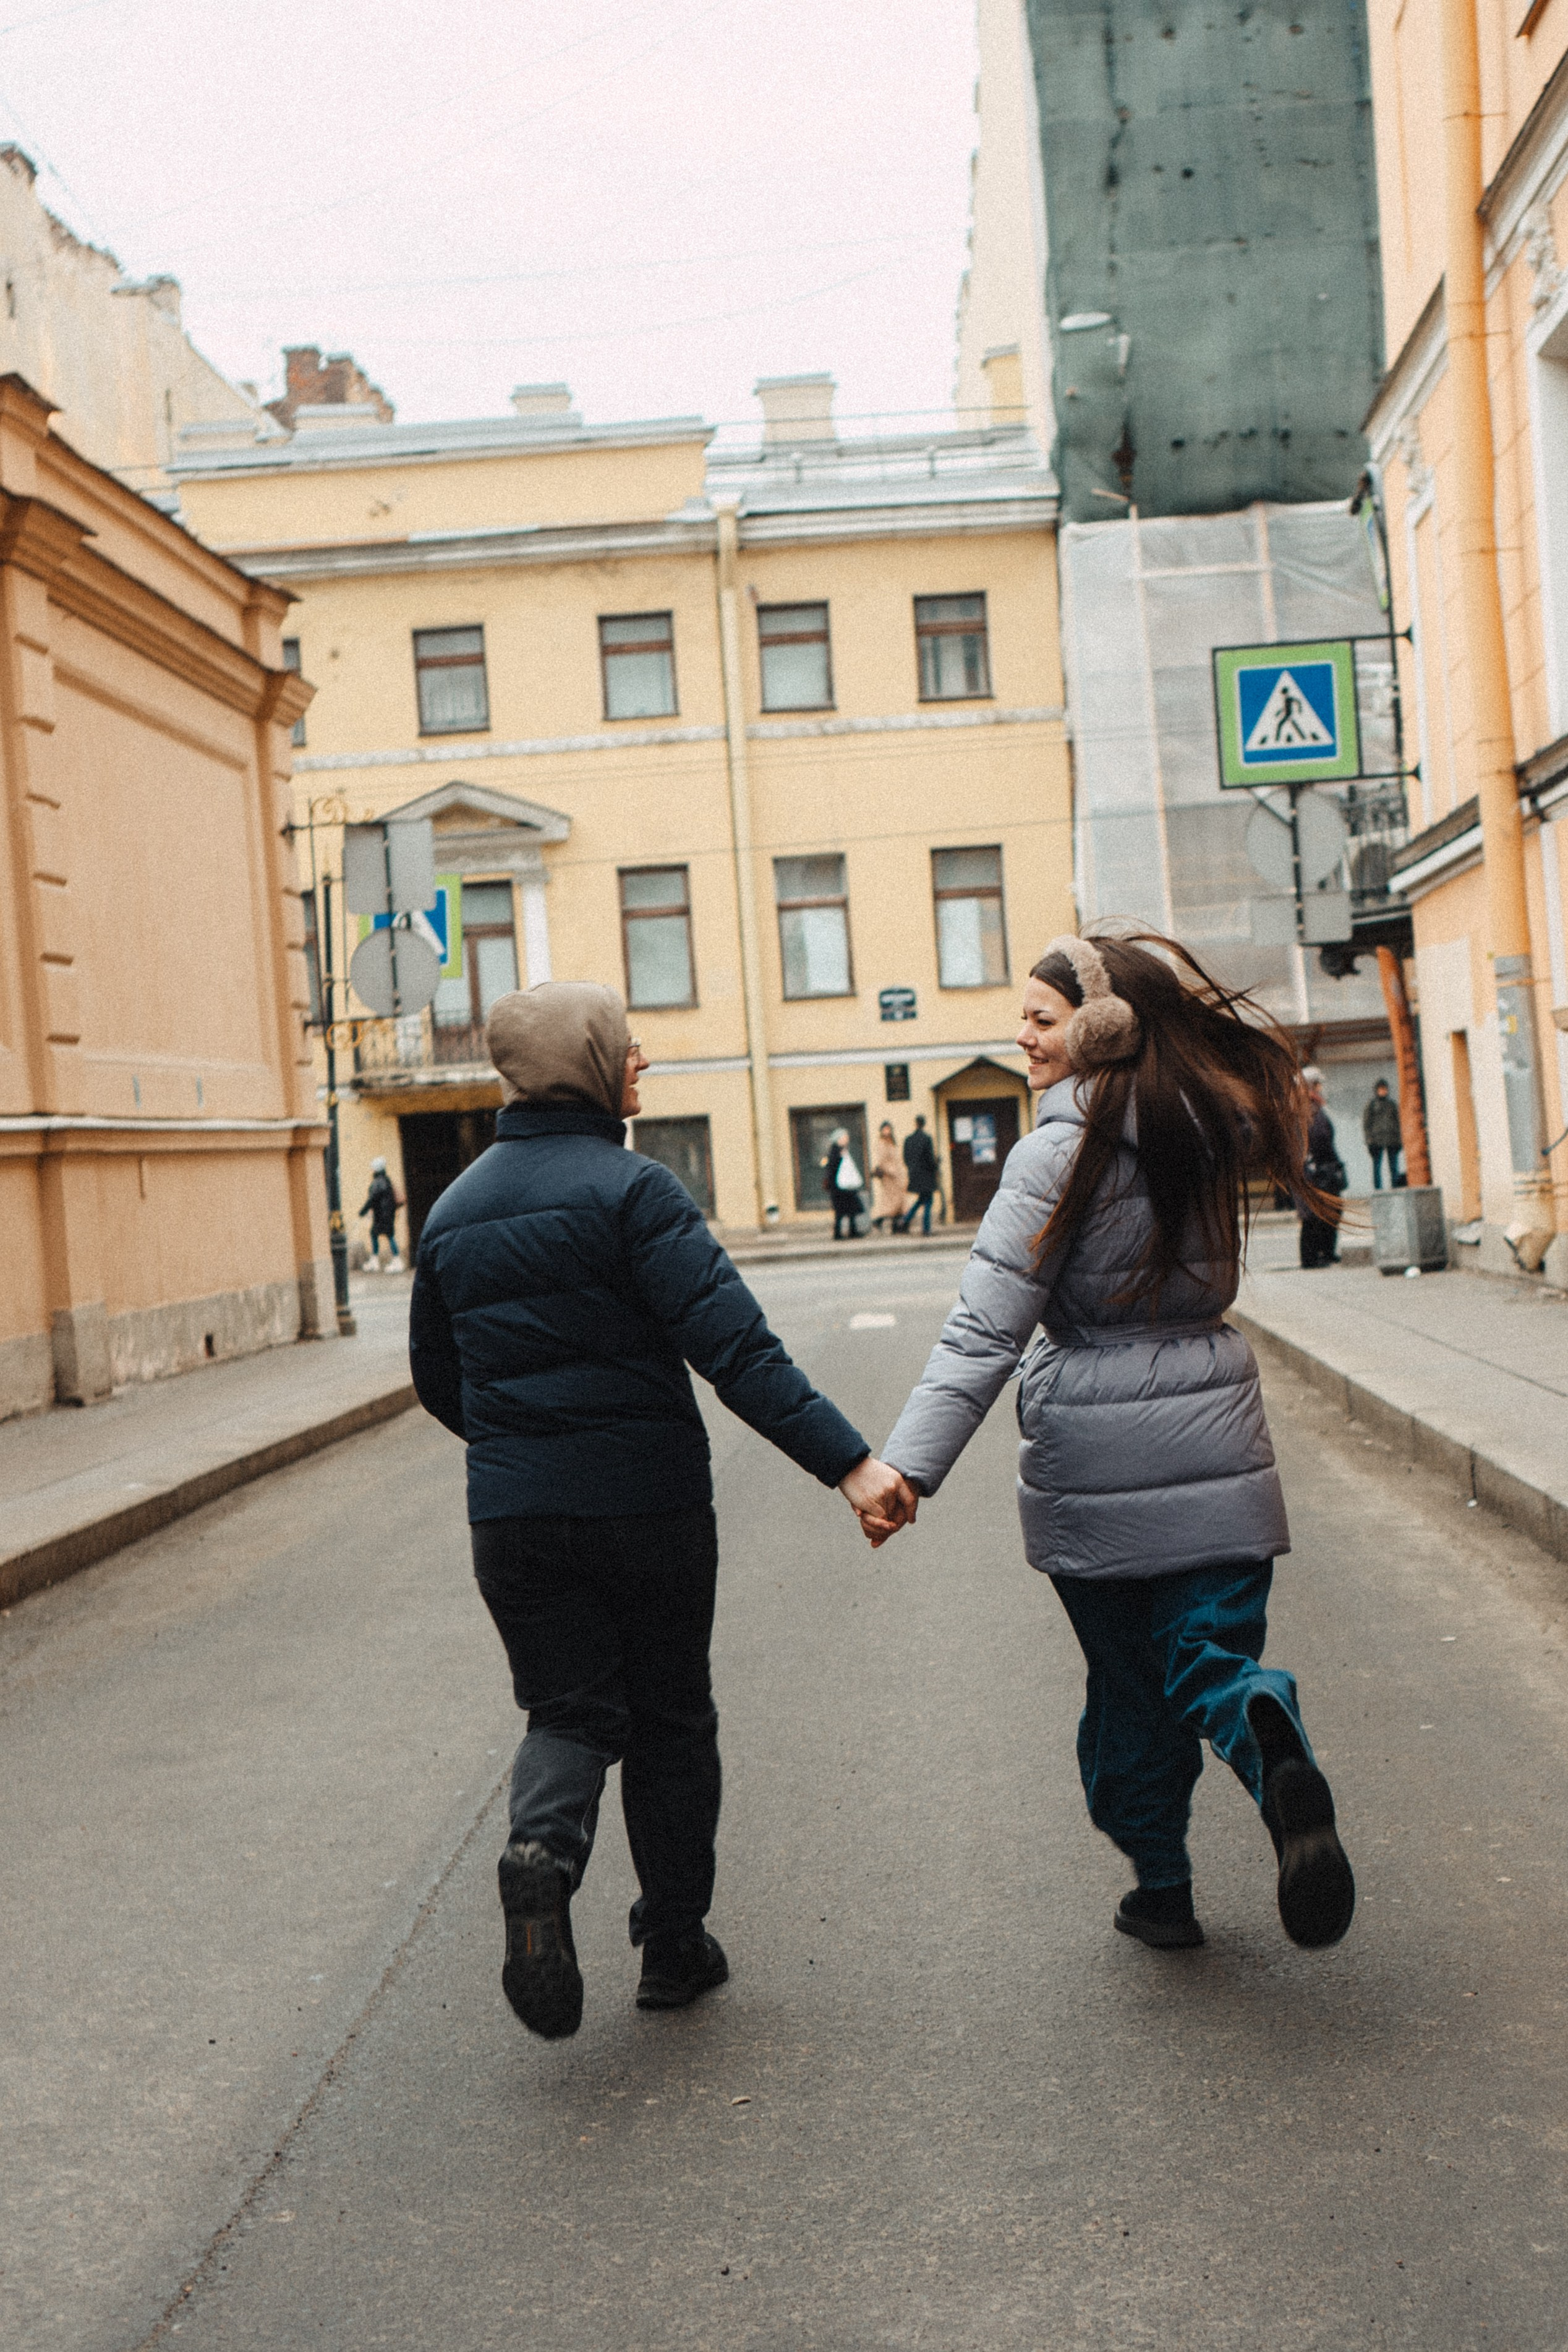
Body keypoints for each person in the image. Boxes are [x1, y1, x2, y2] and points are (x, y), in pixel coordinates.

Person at [409, 982, 914, 2040]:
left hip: (513, 1518)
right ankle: (674, 1946)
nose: (641, 1062)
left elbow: (437, 1378)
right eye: (627, 1048)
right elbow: (736, 1350)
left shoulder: (452, 1212)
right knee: (672, 1717)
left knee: (571, 1712)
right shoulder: (636, 1192)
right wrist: (851, 1465)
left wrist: (523, 1450)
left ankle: (542, 1849)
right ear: (587, 1062)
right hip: (648, 1505)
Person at [869, 932, 1355, 1955]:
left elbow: (985, 1327)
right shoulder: (1206, 1126)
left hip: (1093, 1462)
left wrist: (908, 1466)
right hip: (1219, 1432)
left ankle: (1163, 1886)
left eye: (1041, 1019)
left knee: (1131, 1696)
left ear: (1100, 1029)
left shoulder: (1055, 1151)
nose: (1023, 1035)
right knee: (1209, 1657)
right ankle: (1261, 1721)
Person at [1299, 1065, 1345, 1268]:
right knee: (1313, 1215)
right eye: (1317, 1084)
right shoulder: (1306, 1110)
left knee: (1329, 1212)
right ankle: (1311, 1258)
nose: (1320, 1089)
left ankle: (1326, 1252)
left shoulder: (1314, 1108)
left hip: (1321, 1169)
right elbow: (1317, 1139)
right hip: (1314, 1170)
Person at [895, 1114, 939, 1235]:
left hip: (915, 1175)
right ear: (924, 1124)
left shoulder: (909, 1140)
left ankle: (904, 1221)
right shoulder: (926, 1138)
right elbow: (930, 1159)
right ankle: (926, 1229)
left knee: (921, 1200)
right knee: (928, 1201)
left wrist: (912, 1169)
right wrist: (936, 1165)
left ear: (916, 1123)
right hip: (927, 1175)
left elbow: (905, 1158)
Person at [359, 1156, 403, 1272]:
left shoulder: (377, 1182)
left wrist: (363, 1211)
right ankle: (394, 1260)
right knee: (388, 1235)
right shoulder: (387, 1180)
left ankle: (377, 1261)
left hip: (381, 1215)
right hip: (388, 1214)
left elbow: (373, 1199)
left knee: (376, 1234)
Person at [822, 1127, 864, 1240]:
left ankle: (852, 1230)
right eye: (845, 1137)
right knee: (840, 1212)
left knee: (851, 1210)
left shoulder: (842, 1150)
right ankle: (838, 1233)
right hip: (839, 1188)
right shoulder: (836, 1152)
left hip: (846, 1186)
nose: (847, 1139)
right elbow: (833, 1169)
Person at [1363, 1078, 1404, 1190]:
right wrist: (1369, 1141)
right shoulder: (1371, 1105)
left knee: (1394, 1167)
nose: (1383, 1091)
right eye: (1381, 1089)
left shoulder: (1392, 1104)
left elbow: (1398, 1122)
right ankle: (1378, 1190)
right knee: (1377, 1167)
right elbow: (1367, 1124)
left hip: (1392, 1139)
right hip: (1377, 1140)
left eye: (1385, 1089)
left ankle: (1395, 1188)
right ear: (1376, 1090)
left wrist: (1400, 1140)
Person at [870, 1120, 908, 1234]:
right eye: (885, 1129)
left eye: (888, 1129)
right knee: (894, 1202)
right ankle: (879, 1220)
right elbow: (882, 1162)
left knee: (899, 1202)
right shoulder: (882, 1143)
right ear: (881, 1131)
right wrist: (893, 1172)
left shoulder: (891, 1142)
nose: (887, 1131)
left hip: (897, 1177)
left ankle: (895, 1226)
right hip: (890, 1178)